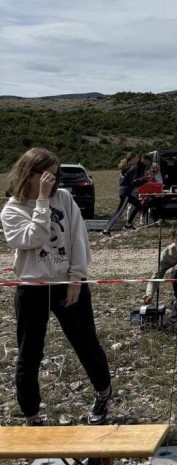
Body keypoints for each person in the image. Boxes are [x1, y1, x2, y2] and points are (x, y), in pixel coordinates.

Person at [1, 147, 113, 425]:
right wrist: (41, 202)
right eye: (48, 175)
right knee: (29, 353)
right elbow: (32, 239)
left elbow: (77, 238)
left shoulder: (63, 198)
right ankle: (32, 416)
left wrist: (76, 278)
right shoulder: (12, 210)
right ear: (30, 174)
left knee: (86, 343)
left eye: (57, 175)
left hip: (67, 284)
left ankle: (103, 393)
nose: (54, 181)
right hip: (32, 287)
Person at [101, 152, 143, 235]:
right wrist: (145, 180)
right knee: (119, 212)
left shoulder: (126, 166)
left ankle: (128, 224)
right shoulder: (133, 168)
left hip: (124, 191)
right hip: (126, 192)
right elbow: (133, 183)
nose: (138, 159)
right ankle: (106, 230)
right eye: (137, 158)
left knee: (138, 205)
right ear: (133, 158)